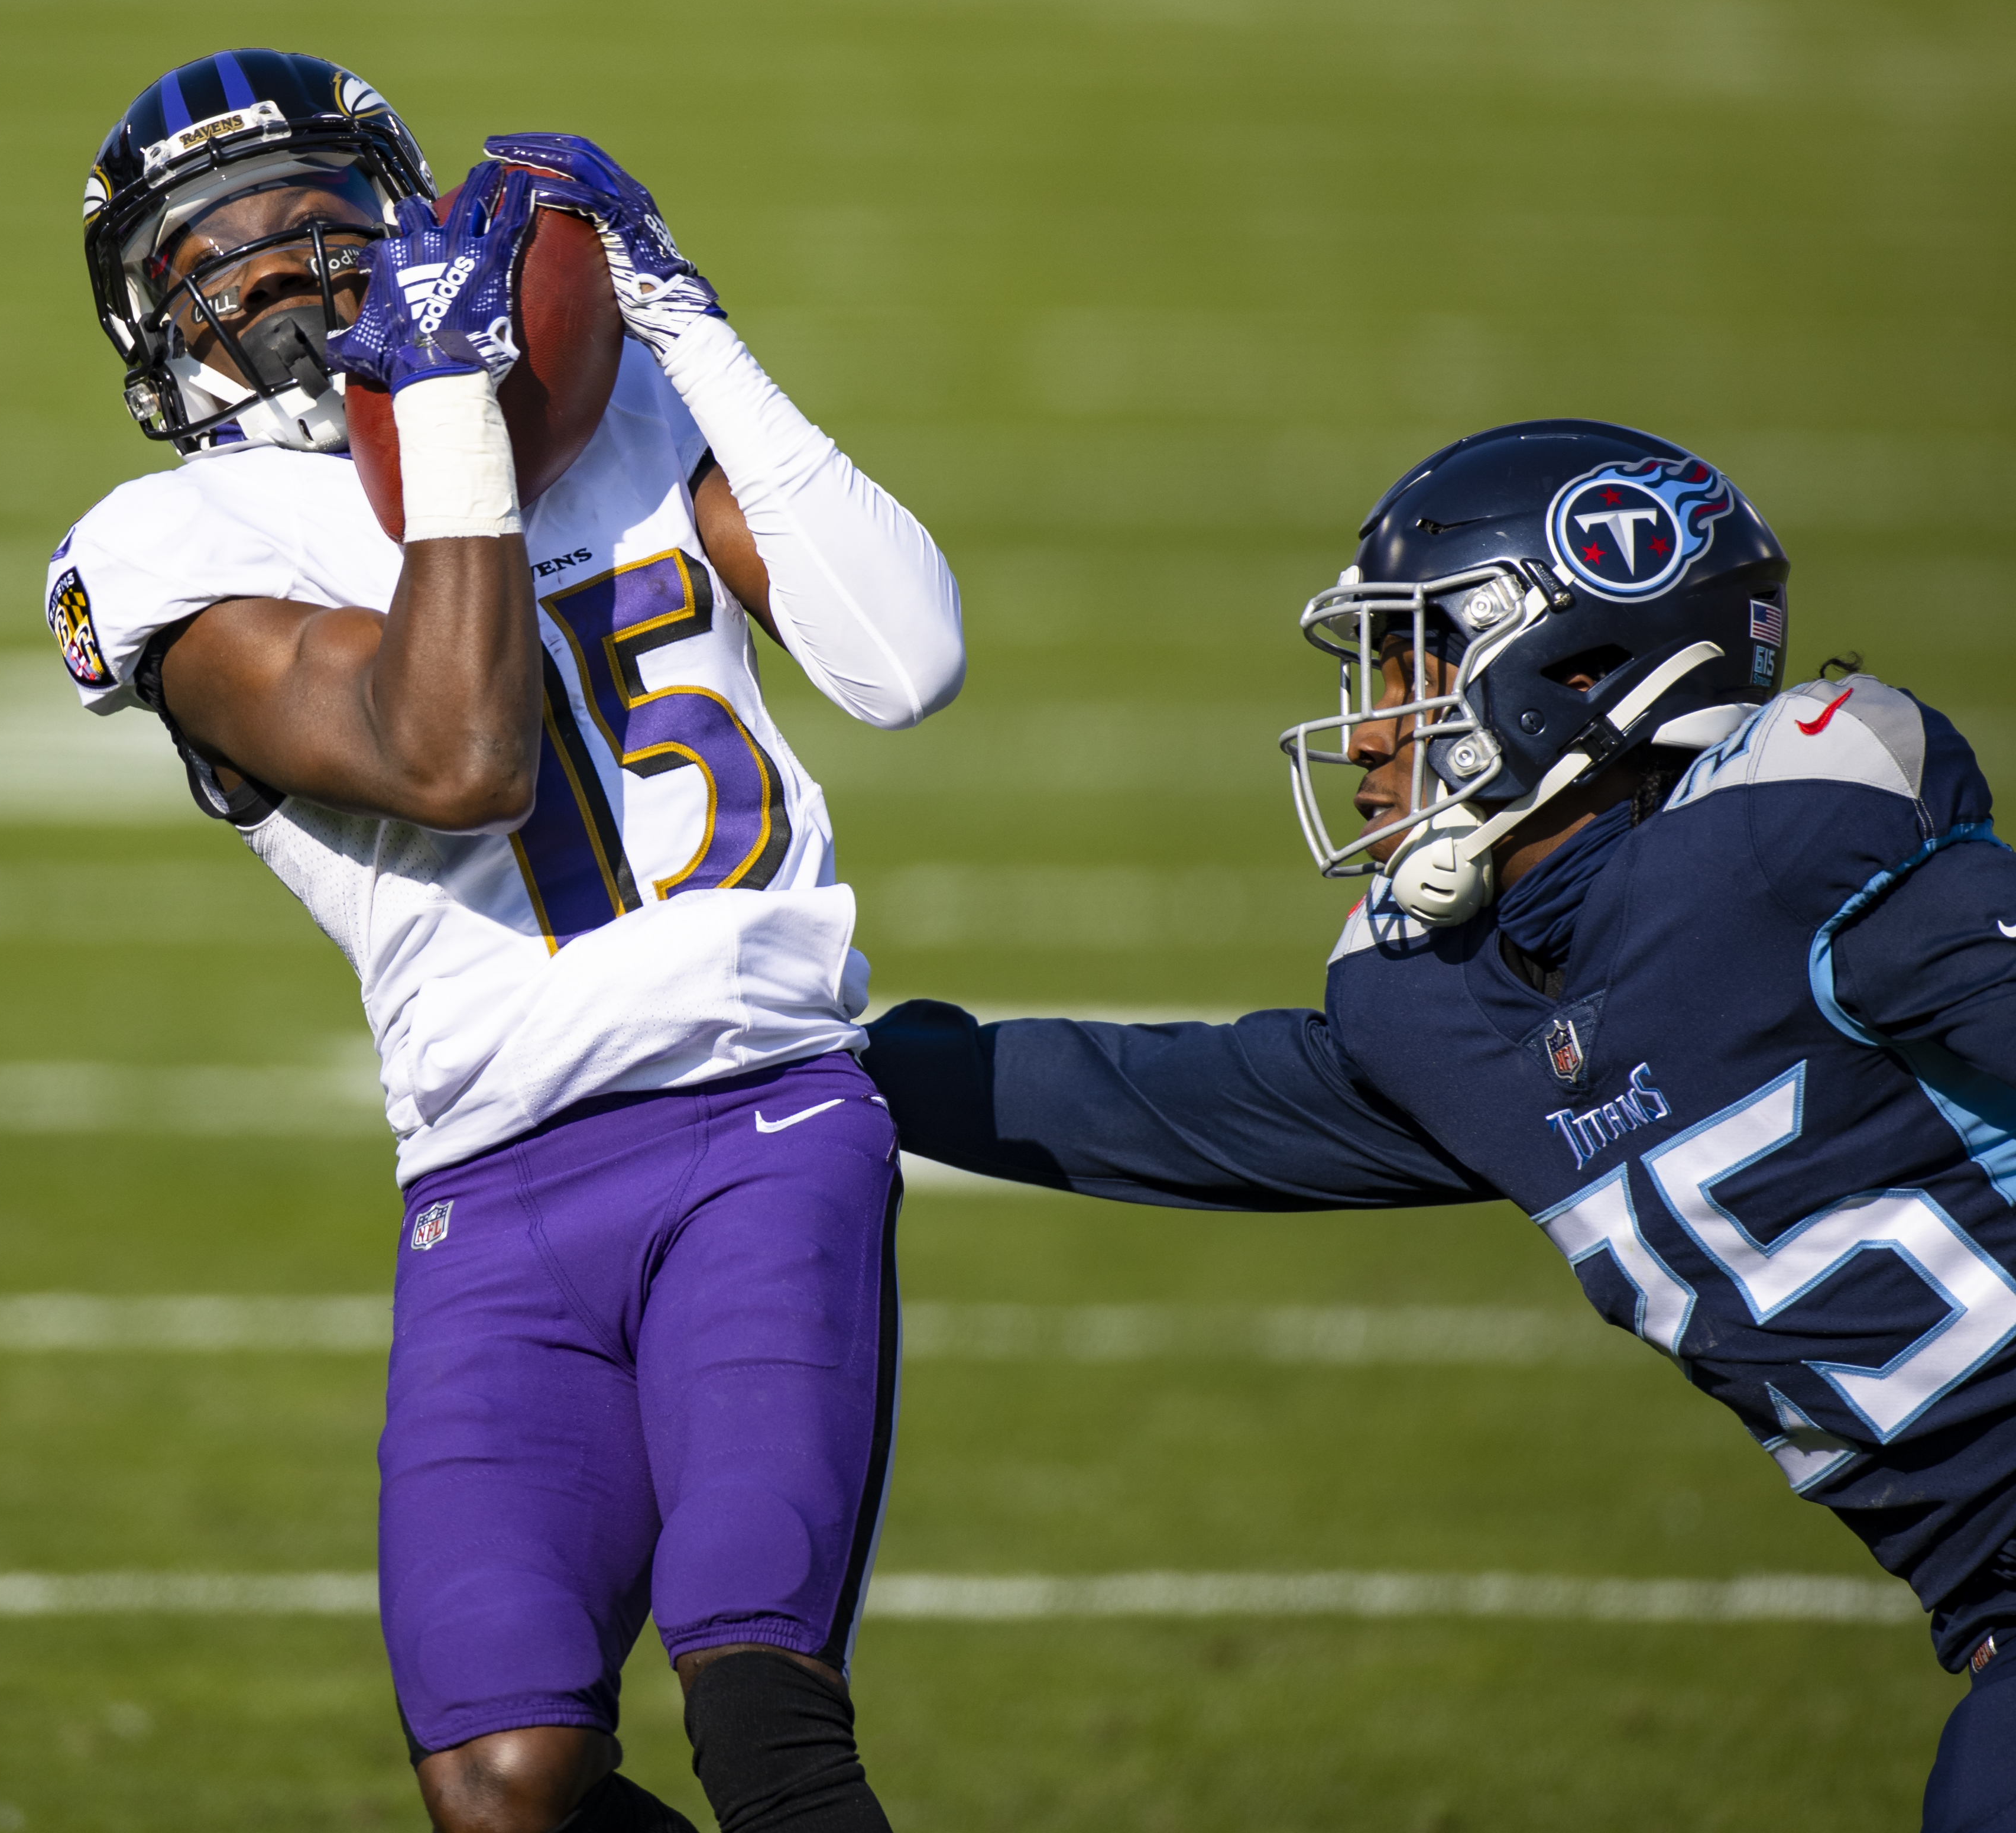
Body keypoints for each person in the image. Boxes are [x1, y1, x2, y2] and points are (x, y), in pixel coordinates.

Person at [43, 50, 966, 1832]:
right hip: (485, 1187)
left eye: (317, 215)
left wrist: (691, 327)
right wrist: (454, 415)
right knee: (502, 1783)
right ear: (153, 318)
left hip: (754, 1119)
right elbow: (451, 758)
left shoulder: (616, 415)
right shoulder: (163, 542)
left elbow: (901, 662)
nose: (277, 267)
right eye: (210, 246)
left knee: (757, 1694)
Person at [858, 418, 2016, 1830]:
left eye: (1410, 667)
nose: (1364, 730)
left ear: (1577, 667)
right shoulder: (1451, 1016)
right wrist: (786, 1055)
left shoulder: (1801, 856)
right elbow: (1143, 1104)